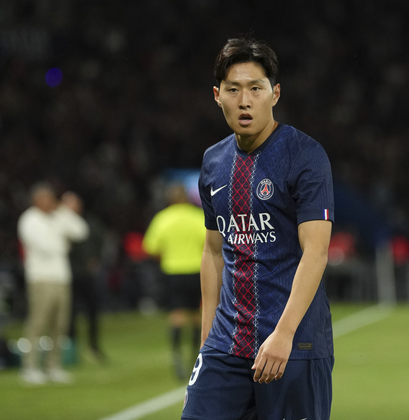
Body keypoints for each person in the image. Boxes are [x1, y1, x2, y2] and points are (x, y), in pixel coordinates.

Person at [182, 37, 335, 420]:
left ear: (275, 93)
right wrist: (207, 342)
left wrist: (284, 334)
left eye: (255, 88)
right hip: (227, 344)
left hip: (295, 344)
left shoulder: (305, 156)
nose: (244, 101)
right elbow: (213, 251)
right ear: (217, 96)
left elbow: (316, 252)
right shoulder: (213, 162)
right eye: (233, 90)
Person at [17, 183, 89, 385]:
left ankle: (53, 366)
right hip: (40, 278)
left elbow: (81, 231)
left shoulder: (58, 217)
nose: (49, 203)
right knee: (38, 322)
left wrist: (66, 212)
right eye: (45, 198)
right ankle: (30, 367)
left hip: (61, 277)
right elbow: (45, 246)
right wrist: (63, 244)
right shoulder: (29, 219)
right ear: (36, 200)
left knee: (60, 324)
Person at [143, 184, 205, 380]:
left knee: (177, 314)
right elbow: (209, 243)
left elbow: (150, 247)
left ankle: (177, 357)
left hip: (173, 272)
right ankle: (195, 357)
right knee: (197, 315)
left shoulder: (163, 218)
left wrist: (167, 256)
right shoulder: (198, 216)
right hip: (196, 271)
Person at [68, 202, 107, 363]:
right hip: (68, 274)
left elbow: (100, 240)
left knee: (93, 310)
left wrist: (96, 258)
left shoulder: (90, 222)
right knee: (70, 313)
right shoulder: (62, 222)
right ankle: (71, 348)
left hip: (87, 274)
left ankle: (94, 346)